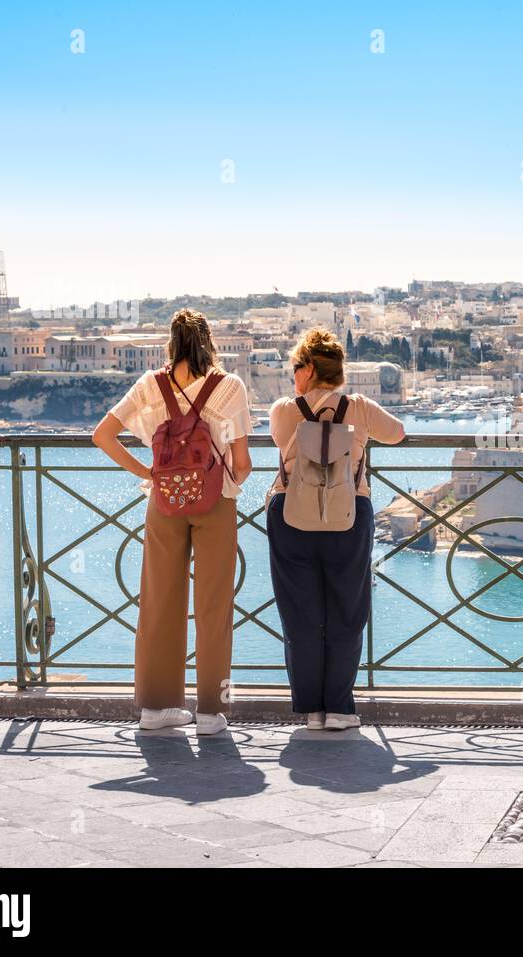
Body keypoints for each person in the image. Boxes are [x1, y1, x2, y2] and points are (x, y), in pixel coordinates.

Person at [92, 309, 252, 735]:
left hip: (163, 501)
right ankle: (210, 713)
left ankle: (156, 708)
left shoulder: (150, 384)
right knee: (214, 606)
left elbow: (102, 435)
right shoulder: (230, 386)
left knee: (160, 600)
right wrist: (223, 483)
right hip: (216, 502)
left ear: (171, 341)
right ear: (210, 341)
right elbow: (242, 462)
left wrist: (147, 473)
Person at [267, 328, 404, 730]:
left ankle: (311, 710)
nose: (293, 375)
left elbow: (279, 441)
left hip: (291, 514)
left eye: (295, 367)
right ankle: (340, 710)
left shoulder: (283, 410)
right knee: (346, 611)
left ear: (308, 370)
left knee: (300, 614)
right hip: (348, 513)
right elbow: (397, 433)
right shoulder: (358, 407)